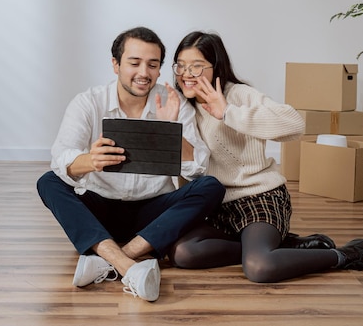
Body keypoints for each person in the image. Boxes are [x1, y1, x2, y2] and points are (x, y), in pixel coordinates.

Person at [167, 31, 363, 283]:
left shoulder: (237, 95)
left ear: (215, 67)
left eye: (196, 67)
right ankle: (285, 247)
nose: (186, 74)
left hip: (257, 197)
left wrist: (228, 112)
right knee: (182, 254)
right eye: (181, 66)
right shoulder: (181, 108)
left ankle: (350, 254)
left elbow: (294, 124)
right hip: (216, 205)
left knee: (259, 267)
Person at [37, 27, 226, 301]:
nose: (143, 73)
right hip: (101, 207)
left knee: (211, 187)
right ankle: (128, 267)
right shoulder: (88, 102)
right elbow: (61, 159)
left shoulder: (171, 101)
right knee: (48, 182)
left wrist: (172, 129)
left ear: (160, 69)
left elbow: (197, 169)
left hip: (153, 210)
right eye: (134, 63)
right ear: (116, 64)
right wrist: (90, 161)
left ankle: (109, 259)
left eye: (152, 65)